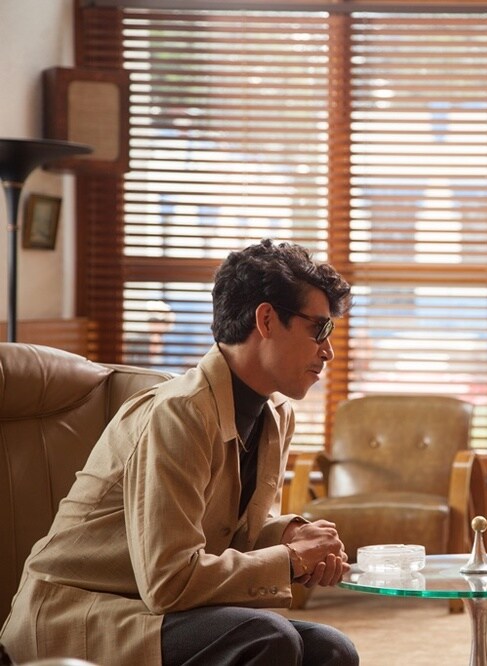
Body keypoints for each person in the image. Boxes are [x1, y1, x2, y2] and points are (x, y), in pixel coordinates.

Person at [0, 239, 359, 666]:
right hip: (83, 615)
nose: (328, 351)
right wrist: (291, 560)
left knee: (332, 649)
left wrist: (291, 535)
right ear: (266, 319)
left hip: (156, 608)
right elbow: (168, 580)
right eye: (319, 329)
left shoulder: (277, 414)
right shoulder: (179, 412)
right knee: (269, 638)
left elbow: (230, 533)